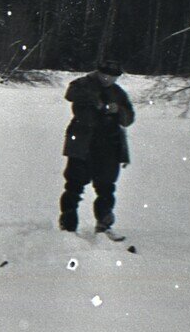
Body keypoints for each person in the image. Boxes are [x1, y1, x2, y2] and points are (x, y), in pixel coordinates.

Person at [58, 60, 135, 236]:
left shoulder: (118, 93)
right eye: (105, 75)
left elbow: (128, 119)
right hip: (83, 144)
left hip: (109, 146)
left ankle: (104, 224)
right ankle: (68, 226)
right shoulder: (83, 84)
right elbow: (71, 94)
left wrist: (118, 110)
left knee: (106, 188)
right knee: (74, 186)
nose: (108, 79)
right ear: (98, 72)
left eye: (113, 77)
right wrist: (96, 101)